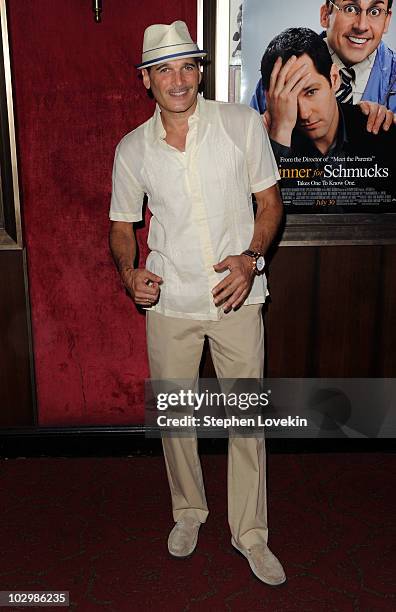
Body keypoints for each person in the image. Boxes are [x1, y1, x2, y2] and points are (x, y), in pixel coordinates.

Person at [109, 21, 286, 586]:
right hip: (170, 299)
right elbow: (120, 226)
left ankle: (251, 534)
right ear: (146, 80)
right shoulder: (133, 148)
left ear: (201, 71)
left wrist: (251, 257)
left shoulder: (240, 125)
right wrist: (128, 270)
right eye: (164, 69)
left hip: (237, 297)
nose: (178, 80)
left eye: (187, 66)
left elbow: (270, 204)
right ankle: (188, 513)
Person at [261, 27, 395, 211]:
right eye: (288, 99)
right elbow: (269, 219)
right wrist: (279, 136)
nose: (304, 114)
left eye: (311, 92)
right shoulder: (259, 141)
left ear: (334, 78)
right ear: (270, 99)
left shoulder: (378, 128)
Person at [251, 0, 396, 130]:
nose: (362, 26)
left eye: (375, 11)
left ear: (387, 20)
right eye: (350, 9)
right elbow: (251, 149)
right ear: (325, 15)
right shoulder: (280, 72)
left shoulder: (393, 78)